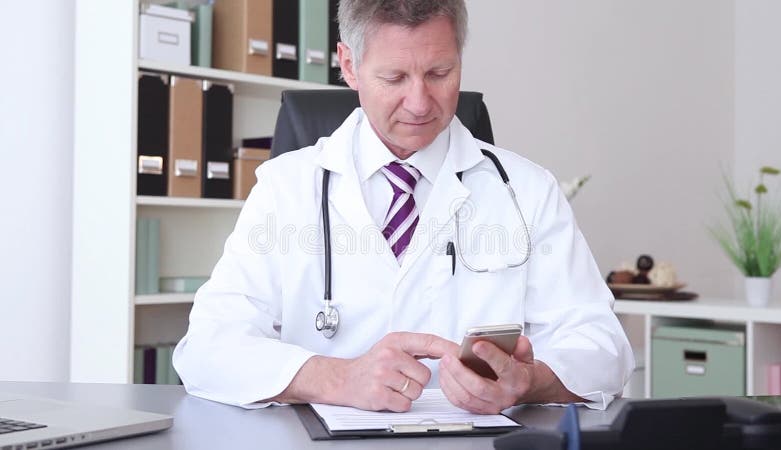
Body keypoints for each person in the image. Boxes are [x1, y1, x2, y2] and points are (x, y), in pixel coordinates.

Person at [173, 0, 634, 414]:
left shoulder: (526, 190)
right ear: (349, 65)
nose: (419, 102)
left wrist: (528, 382)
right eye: (394, 77)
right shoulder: (286, 187)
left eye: (439, 73)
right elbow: (208, 348)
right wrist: (337, 378)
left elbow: (602, 344)